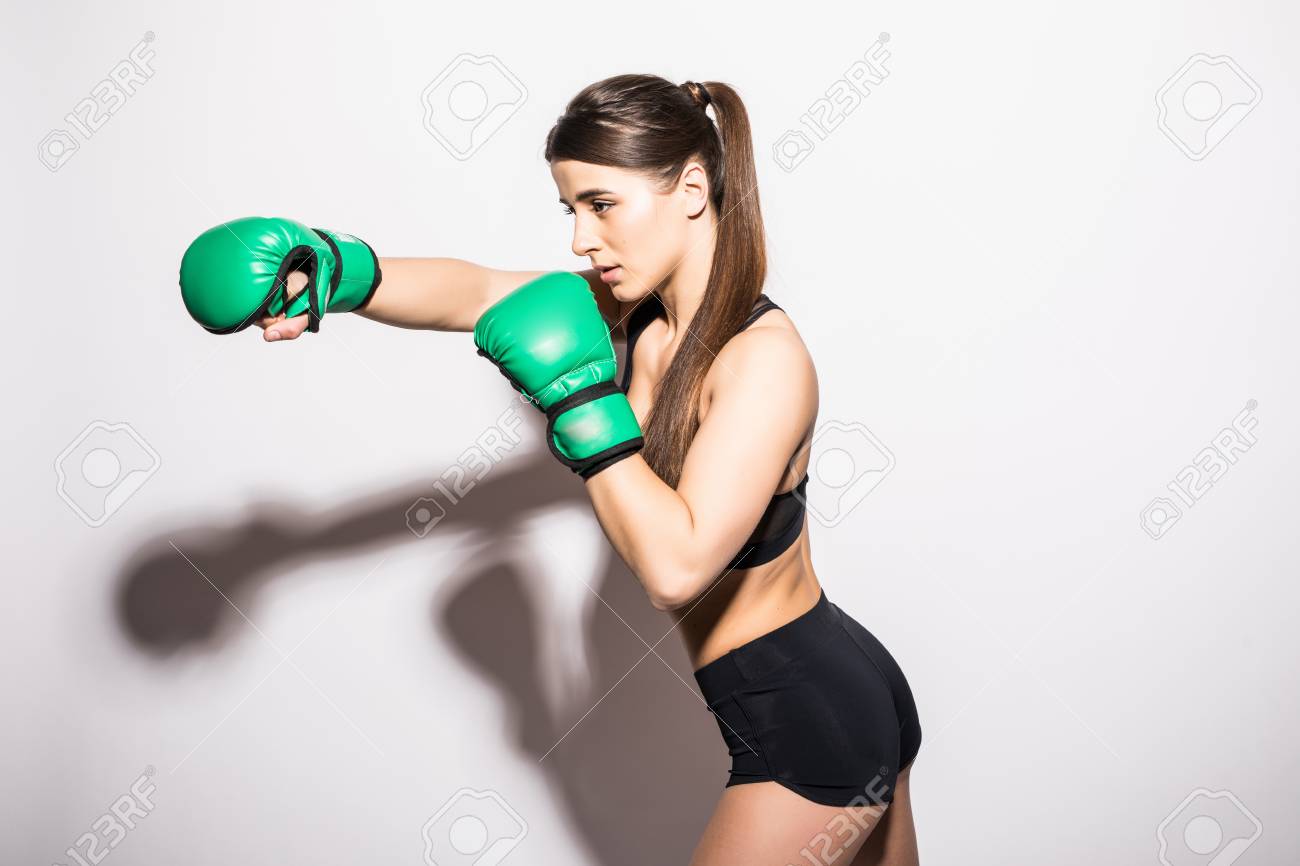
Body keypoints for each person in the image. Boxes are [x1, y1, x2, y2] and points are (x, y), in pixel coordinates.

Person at [181, 75, 922, 866]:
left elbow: (678, 566)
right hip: (814, 690)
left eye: (602, 205)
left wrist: (579, 401)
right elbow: (475, 293)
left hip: (810, 722)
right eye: (571, 210)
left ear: (694, 189)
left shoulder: (763, 362)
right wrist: (334, 270)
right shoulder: (639, 317)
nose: (581, 239)